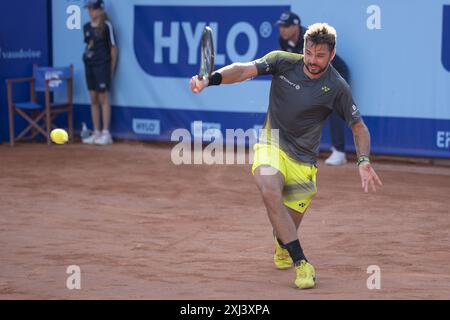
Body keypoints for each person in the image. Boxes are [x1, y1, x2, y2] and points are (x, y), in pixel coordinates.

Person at [190, 23, 382, 289]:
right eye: (309, 53)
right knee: (270, 191)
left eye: (320, 56)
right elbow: (243, 70)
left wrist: (363, 161)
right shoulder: (282, 61)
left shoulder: (337, 86)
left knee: (284, 227)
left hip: (304, 163)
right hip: (272, 145)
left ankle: (282, 244)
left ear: (332, 55)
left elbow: (359, 127)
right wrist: (210, 79)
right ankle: (302, 262)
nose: (313, 61)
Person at [276, 12, 349, 165]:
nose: (282, 30)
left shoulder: (309, 40)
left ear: (296, 27)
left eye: (286, 26)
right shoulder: (284, 41)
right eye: (281, 26)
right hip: (313, 74)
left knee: (334, 107)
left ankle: (339, 152)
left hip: (335, 73)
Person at [82, 0, 118, 145]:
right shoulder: (86, 27)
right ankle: (96, 132)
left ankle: (106, 133)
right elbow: (89, 46)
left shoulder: (107, 26)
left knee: (103, 98)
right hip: (89, 66)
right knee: (93, 98)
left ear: (100, 10)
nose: (90, 12)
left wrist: (111, 70)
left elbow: (114, 49)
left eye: (92, 9)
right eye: (89, 9)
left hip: (103, 67)